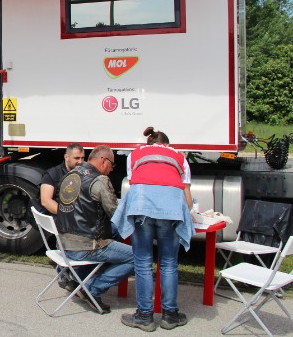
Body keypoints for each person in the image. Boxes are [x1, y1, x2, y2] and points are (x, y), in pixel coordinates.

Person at [112, 127, 194, 332]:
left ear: (149, 143)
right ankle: (170, 315)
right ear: (167, 144)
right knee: (169, 263)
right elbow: (187, 197)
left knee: (143, 263)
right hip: (172, 209)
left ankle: (145, 316)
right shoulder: (179, 156)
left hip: (142, 208)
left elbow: (136, 183)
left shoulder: (135, 155)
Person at [55, 145, 134, 314]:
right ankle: (93, 289)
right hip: (86, 246)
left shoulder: (69, 175)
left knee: (113, 234)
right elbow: (115, 213)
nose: (112, 169)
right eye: (112, 165)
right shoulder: (100, 180)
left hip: (63, 244)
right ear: (104, 160)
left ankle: (77, 280)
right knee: (138, 257)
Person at [39, 143, 85, 291]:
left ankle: (81, 274)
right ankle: (66, 272)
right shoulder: (52, 174)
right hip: (61, 219)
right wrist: (69, 215)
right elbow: (46, 201)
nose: (80, 162)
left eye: (82, 158)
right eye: (76, 158)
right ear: (66, 157)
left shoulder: (84, 174)